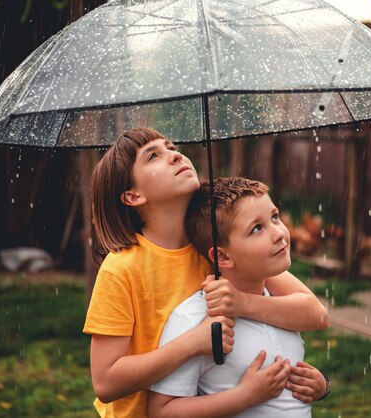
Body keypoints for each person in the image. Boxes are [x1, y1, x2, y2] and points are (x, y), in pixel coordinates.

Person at [83, 128, 329, 418]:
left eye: (171, 146)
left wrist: (243, 303)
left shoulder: (214, 246)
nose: (174, 155)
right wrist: (192, 343)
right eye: (153, 156)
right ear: (133, 195)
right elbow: (105, 381)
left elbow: (315, 313)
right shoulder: (122, 268)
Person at [149, 177, 330, 418]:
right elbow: (162, 412)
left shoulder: (274, 297)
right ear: (222, 257)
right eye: (257, 228)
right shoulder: (195, 318)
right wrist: (244, 396)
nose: (278, 233)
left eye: (274, 217)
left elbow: (318, 315)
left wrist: (320, 386)